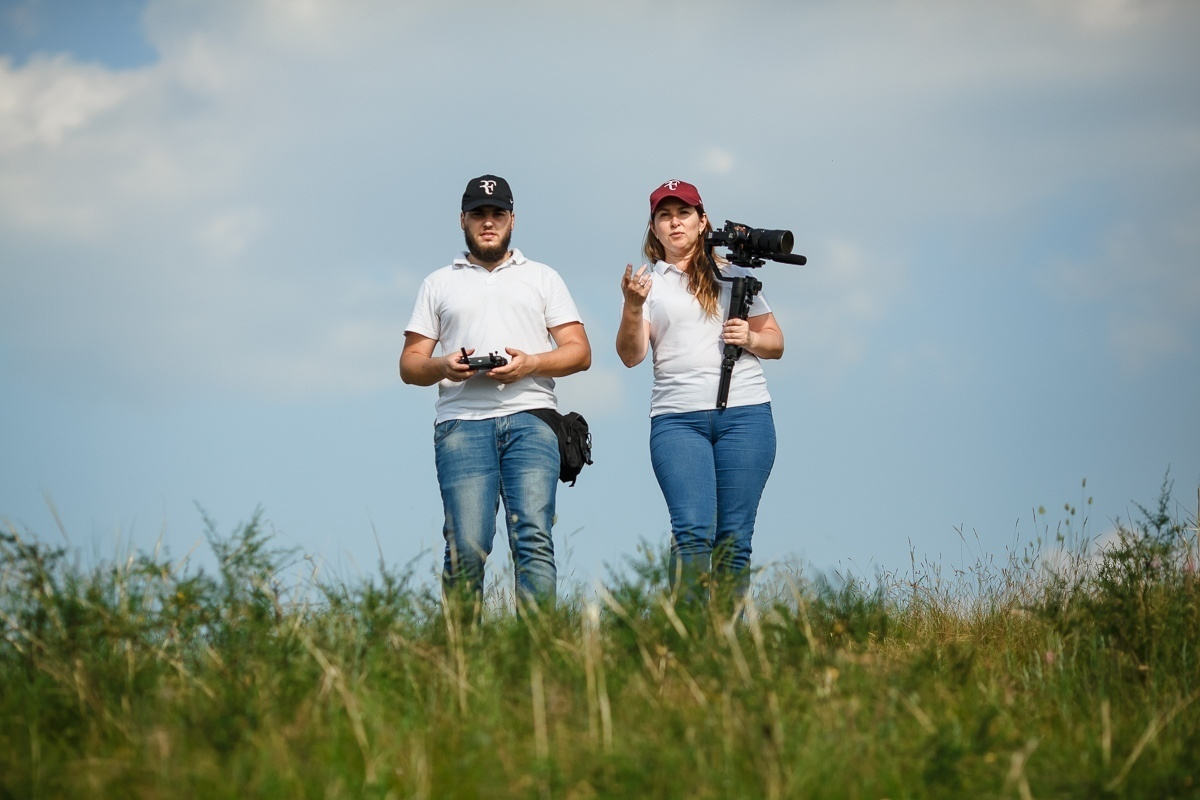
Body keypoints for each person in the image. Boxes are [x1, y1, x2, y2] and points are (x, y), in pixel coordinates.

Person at [400, 174, 591, 614]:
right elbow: (410, 364)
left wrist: (531, 363)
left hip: (532, 417)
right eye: (479, 214)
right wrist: (444, 365)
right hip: (462, 423)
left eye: (497, 214)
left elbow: (580, 352)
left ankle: (538, 647)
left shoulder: (543, 277)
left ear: (512, 220)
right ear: (462, 220)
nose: (488, 222)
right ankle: (461, 650)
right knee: (466, 546)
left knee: (533, 538)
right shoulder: (437, 282)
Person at [615, 179, 783, 610]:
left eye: (684, 213)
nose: (675, 223)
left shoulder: (736, 275)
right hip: (678, 419)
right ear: (654, 228)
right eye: (665, 216)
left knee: (734, 538)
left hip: (745, 415)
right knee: (692, 532)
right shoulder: (648, 285)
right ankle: (688, 634)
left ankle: (725, 639)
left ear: (702, 220)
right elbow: (631, 356)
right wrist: (632, 307)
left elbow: (775, 343)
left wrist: (750, 338)